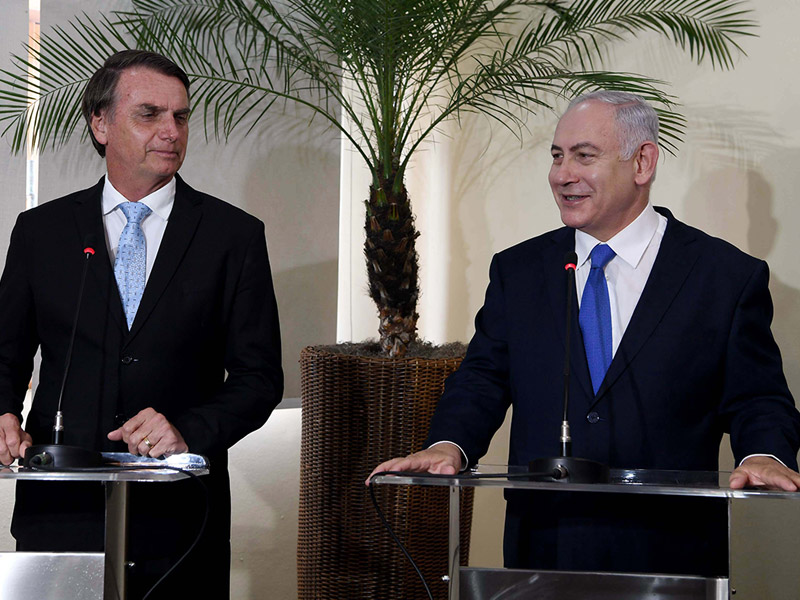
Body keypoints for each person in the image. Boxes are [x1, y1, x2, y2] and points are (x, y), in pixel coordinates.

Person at [370, 91, 800, 576]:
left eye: (583, 156)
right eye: (556, 156)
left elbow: (758, 396)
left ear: (642, 162)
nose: (561, 175)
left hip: (671, 550)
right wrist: (448, 444)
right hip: (546, 549)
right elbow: (484, 379)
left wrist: (764, 455)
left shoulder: (724, 276)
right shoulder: (520, 271)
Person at [0, 50, 283, 598]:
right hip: (61, 509)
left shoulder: (233, 235)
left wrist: (187, 432)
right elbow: (4, 353)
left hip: (178, 519)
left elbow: (258, 379)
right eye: (149, 114)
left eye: (180, 117)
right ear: (100, 123)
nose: (170, 131)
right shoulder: (41, 231)